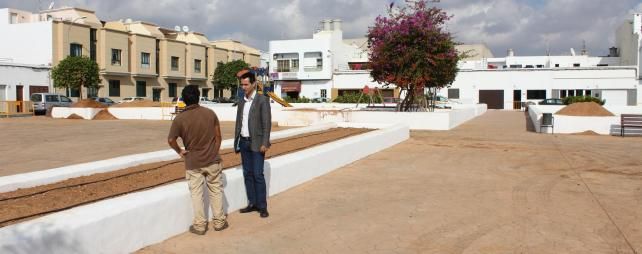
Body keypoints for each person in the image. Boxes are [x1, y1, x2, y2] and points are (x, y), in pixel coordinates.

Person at [168, 84, 228, 235]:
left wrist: (180, 151)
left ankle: (200, 226)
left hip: (193, 162)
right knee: (216, 190)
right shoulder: (210, 113)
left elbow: (170, 140)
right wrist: (214, 151)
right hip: (212, 160)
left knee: (196, 194)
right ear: (198, 97)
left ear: (183, 100)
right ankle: (219, 222)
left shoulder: (179, 119)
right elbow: (218, 136)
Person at [234, 70, 272, 218]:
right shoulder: (242, 100)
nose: (243, 87)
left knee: (258, 174)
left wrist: (265, 143)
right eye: (242, 84)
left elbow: (266, 124)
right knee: (247, 174)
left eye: (246, 84)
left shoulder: (262, 100)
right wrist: (237, 141)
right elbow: (239, 122)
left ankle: (262, 206)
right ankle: (252, 203)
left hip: (257, 143)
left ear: (253, 84)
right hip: (244, 142)